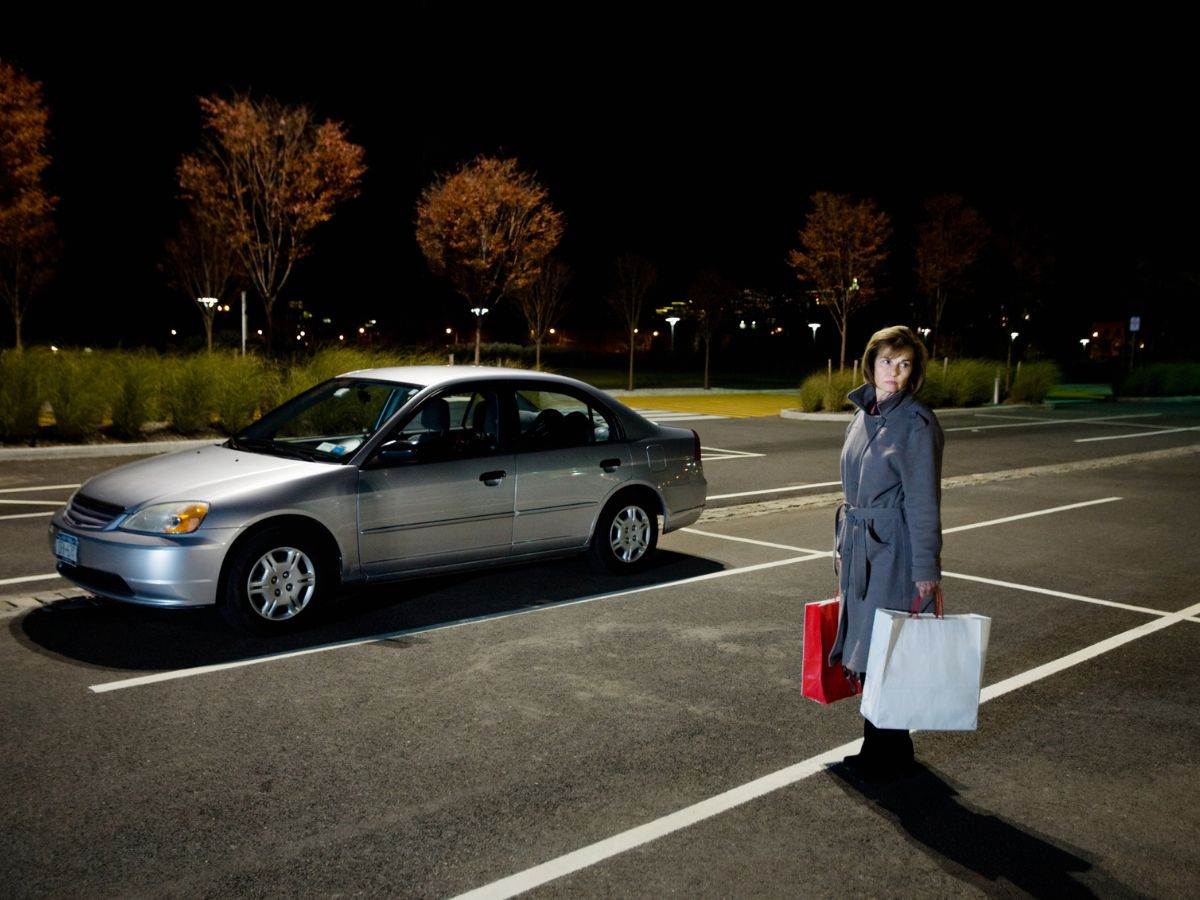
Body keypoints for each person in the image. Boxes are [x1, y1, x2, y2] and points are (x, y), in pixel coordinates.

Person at [830, 325, 944, 781]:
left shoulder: (917, 423)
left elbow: (923, 501)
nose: (893, 372)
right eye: (886, 361)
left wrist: (925, 568)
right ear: (870, 362)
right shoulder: (863, 414)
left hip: (894, 549)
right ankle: (880, 747)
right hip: (861, 546)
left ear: (913, 370)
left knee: (887, 650)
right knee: (870, 648)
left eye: (904, 363)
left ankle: (891, 751)